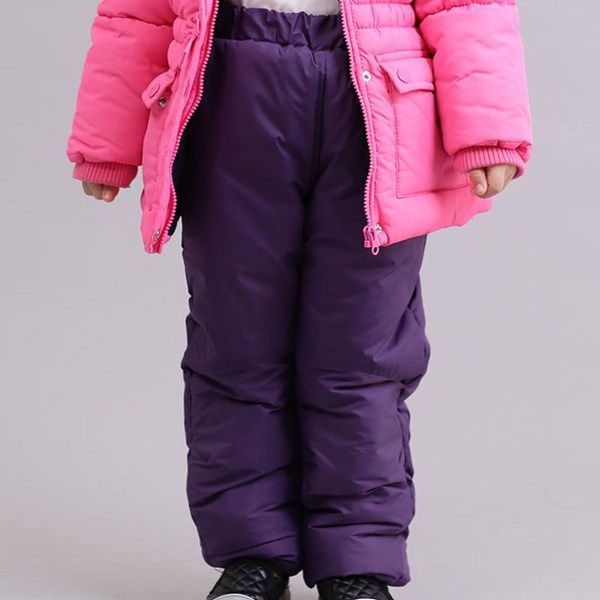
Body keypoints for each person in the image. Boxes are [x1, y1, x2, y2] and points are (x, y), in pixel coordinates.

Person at [65, 1, 533, 600]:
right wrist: (107, 137)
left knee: (359, 353)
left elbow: (466, 5)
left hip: (376, 104)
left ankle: (357, 563)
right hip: (232, 88)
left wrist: (489, 129)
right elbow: (138, 13)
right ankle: (253, 555)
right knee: (236, 342)